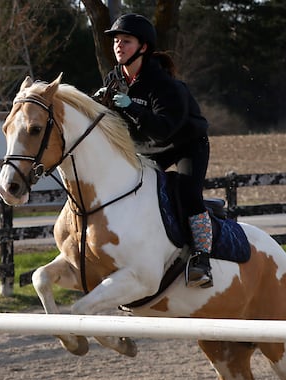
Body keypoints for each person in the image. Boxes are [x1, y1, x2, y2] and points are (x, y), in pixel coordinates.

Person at [94, 13, 213, 288]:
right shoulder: (114, 78)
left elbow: (162, 129)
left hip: (186, 143)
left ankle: (201, 258)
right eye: (116, 41)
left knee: (188, 193)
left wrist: (130, 106)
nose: (118, 46)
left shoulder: (164, 84)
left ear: (143, 47)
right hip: (148, 148)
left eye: (126, 41)